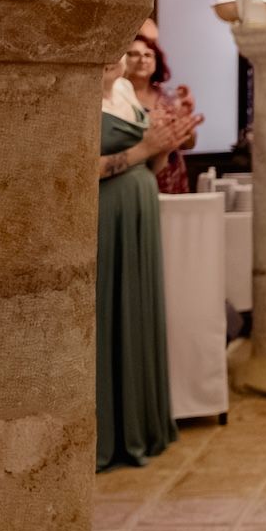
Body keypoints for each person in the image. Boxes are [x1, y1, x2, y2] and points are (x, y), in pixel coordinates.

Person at [96, 39, 201, 470]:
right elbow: (74, 168)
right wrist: (144, 148)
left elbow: (152, 165)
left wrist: (163, 145)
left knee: (137, 311)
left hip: (140, 210)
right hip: (106, 216)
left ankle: (139, 424)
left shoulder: (122, 91)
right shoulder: (77, 94)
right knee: (106, 313)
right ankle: (107, 432)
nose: (121, 58)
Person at [122, 33, 197, 194]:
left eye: (148, 55)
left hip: (171, 173)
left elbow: (189, 144)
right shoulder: (116, 97)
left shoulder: (170, 97)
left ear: (156, 61)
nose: (142, 60)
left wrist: (186, 122)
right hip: (133, 173)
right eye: (134, 54)